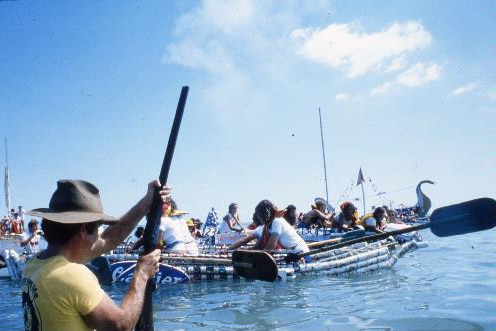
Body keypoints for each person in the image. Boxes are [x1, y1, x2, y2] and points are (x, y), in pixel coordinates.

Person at [22, 179, 170, 331]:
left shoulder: (34, 264)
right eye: (98, 228)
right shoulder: (70, 275)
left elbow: (109, 239)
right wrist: (142, 273)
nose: (99, 235)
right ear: (83, 230)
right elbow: (120, 326)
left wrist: (147, 202)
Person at [228, 200, 309, 254]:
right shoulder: (264, 227)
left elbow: (270, 248)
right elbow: (244, 240)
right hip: (289, 252)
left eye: (259, 214)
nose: (258, 217)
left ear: (264, 214)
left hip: (300, 252)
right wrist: (229, 250)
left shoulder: (277, 222)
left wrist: (244, 253)